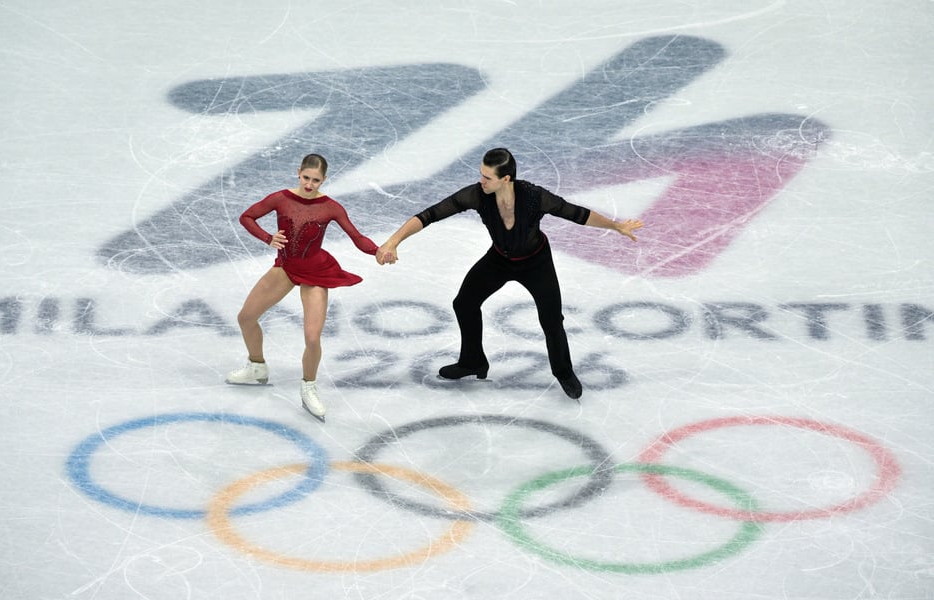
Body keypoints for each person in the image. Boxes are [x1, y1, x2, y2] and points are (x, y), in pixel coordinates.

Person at [375, 148, 642, 399]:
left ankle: (563, 371)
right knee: (464, 303)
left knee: (551, 319)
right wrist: (393, 241)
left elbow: (578, 214)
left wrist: (615, 226)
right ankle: (472, 361)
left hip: (536, 262)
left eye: (487, 177)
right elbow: (430, 214)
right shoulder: (477, 195)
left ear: (506, 179)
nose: (481, 181)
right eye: (481, 174)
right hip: (499, 260)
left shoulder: (535, 196)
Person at [226, 153, 378, 418]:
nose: (309, 185)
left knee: (311, 337)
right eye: (306, 178)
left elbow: (356, 237)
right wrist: (267, 238)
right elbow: (247, 217)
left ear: (324, 180)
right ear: (298, 173)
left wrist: (378, 251)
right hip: (285, 268)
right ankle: (257, 366)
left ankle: (308, 386)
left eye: (316, 180)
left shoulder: (331, 207)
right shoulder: (280, 198)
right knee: (246, 317)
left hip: (316, 272)